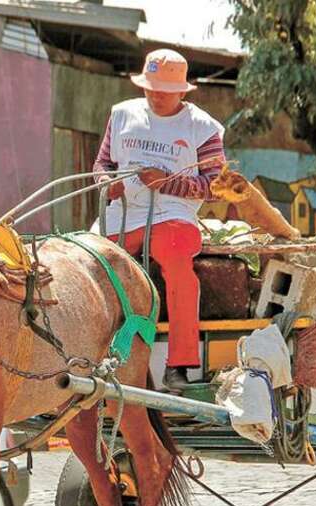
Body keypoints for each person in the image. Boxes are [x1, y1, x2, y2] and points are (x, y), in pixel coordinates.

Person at [92, 49, 226, 391]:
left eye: (163, 92)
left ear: (182, 91)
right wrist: (108, 184)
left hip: (172, 216)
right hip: (121, 216)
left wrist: (168, 182)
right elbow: (102, 164)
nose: (155, 96)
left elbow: (217, 187)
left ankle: (179, 364)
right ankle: (91, 356)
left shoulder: (203, 128)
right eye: (150, 88)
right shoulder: (121, 114)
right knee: (89, 265)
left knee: (179, 264)